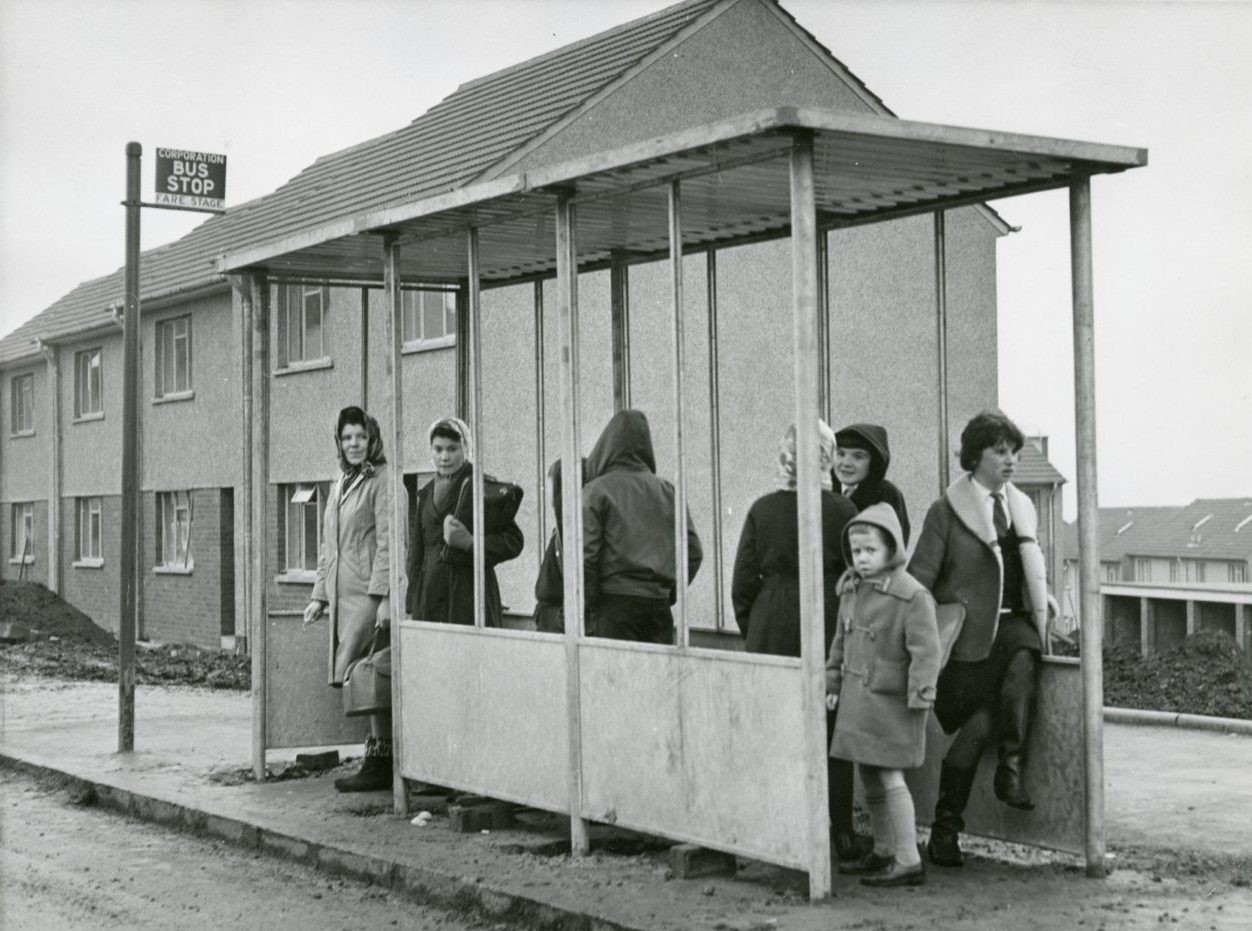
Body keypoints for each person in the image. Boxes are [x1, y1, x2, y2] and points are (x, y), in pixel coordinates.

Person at [908, 410, 1058, 868]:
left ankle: (1009, 771)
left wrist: (1043, 596)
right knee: (974, 730)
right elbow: (919, 580)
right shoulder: (946, 511)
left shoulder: (1021, 506)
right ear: (975, 456)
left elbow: (1020, 567)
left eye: (1013, 451)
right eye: (999, 451)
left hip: (1013, 627)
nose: (1010, 460)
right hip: (968, 644)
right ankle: (946, 831)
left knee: (1024, 652)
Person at [731, 420, 865, 866]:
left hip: (772, 622)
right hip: (829, 619)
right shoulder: (844, 512)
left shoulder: (761, 509)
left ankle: (778, 830)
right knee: (832, 730)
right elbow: (860, 577)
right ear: (826, 457)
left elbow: (742, 583)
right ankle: (841, 832)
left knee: (776, 728)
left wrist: (757, 627)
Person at [825, 505, 941, 887]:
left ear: (892, 550)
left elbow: (927, 651)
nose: (861, 558)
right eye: (856, 551)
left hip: (894, 702)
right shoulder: (852, 590)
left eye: (870, 550)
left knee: (891, 776)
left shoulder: (912, 595)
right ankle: (882, 849)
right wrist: (832, 684)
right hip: (860, 701)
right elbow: (840, 644)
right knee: (869, 776)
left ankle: (908, 858)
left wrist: (922, 694)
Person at [304, 406, 407, 793]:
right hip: (343, 599)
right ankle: (378, 757)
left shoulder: (384, 481)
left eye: (360, 437)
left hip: (368, 596)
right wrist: (319, 595)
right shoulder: (342, 481)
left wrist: (385, 597)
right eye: (347, 438)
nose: (354, 444)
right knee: (362, 677)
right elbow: (328, 544)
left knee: (370, 674)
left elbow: (390, 544)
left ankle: (381, 761)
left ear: (372, 439)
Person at [582, 409, 702, 643]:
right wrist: (669, 593)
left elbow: (586, 556)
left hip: (614, 605)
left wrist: (593, 602)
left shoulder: (597, 491)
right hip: (658, 608)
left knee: (614, 678)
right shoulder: (669, 491)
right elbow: (694, 553)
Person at [406, 417, 524, 627]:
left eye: (452, 449)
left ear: (466, 448)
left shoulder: (483, 488)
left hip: (470, 598)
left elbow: (514, 541)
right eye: (438, 449)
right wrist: (413, 603)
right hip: (430, 600)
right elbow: (416, 554)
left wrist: (471, 542)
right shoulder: (425, 494)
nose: (444, 457)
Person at [831, 423, 910, 545]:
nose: (846, 463)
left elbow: (894, 546)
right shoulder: (824, 490)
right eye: (840, 454)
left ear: (874, 462)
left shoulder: (887, 494)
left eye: (858, 457)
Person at [532, 457, 584, 634]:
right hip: (554, 618)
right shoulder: (563, 532)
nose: (553, 502)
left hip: (557, 622)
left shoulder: (573, 533)